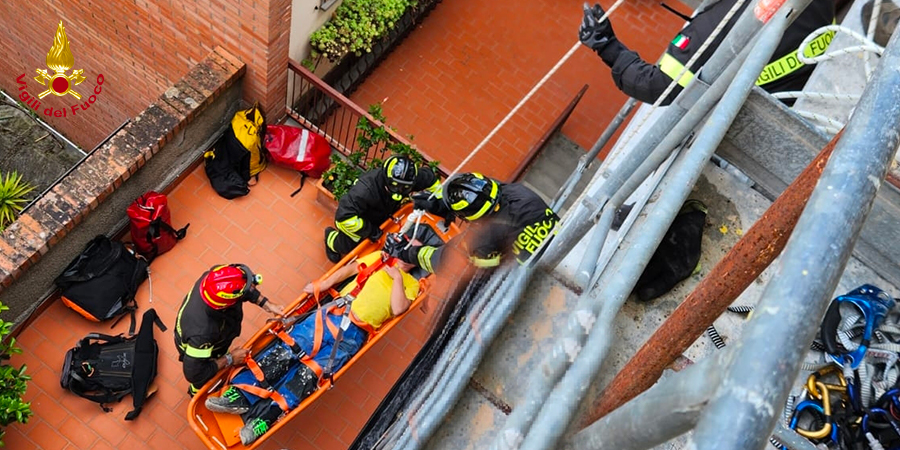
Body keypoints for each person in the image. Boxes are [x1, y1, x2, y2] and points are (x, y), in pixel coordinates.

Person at [204, 249, 422, 445]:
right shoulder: (380, 258)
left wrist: (397, 278)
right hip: (334, 312)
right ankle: (240, 395)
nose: (406, 255)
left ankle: (265, 418)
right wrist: (323, 285)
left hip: (355, 334)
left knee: (309, 375)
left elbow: (398, 308)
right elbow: (348, 271)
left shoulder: (411, 284)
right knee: (287, 350)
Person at [578, 0, 835, 105]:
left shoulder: (725, 22)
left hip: (748, 128)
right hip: (815, 89)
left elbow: (660, 87)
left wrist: (607, 46)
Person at [391, 172, 559, 273]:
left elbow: (445, 260)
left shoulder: (485, 238)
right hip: (564, 245)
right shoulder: (518, 192)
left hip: (537, 277)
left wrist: (408, 253)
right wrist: (438, 204)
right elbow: (481, 189)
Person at [174, 264, 283, 397]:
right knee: (202, 378)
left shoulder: (216, 278)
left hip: (213, 335)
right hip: (198, 348)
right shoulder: (203, 334)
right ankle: (196, 394)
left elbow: (243, 288)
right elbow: (194, 373)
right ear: (226, 305)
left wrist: (267, 304)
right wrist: (230, 359)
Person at [325, 154, 441, 263]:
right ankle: (330, 239)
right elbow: (344, 216)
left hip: (380, 213)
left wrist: (441, 203)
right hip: (355, 220)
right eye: (395, 187)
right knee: (347, 245)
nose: (399, 191)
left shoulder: (410, 179)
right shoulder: (365, 190)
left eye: (405, 188)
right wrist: (370, 231)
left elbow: (432, 181)